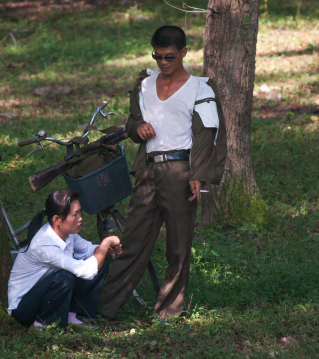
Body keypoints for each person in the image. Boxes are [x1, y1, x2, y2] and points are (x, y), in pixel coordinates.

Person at [97, 25, 226, 321]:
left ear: (183, 53)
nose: (163, 63)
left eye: (169, 57)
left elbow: (207, 135)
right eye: (157, 56)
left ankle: (168, 313)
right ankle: (103, 310)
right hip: (148, 171)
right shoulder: (144, 83)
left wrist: (199, 174)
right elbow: (132, 122)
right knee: (131, 243)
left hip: (181, 171)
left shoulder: (200, 88)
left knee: (178, 247)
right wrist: (136, 129)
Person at [7, 189, 122, 328]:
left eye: (80, 212)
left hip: (43, 295)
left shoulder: (66, 232)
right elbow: (86, 271)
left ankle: (72, 316)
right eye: (75, 214)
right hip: (23, 309)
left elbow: (89, 250)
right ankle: (41, 325)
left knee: (100, 263)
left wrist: (105, 250)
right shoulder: (43, 245)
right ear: (57, 219)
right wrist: (104, 245)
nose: (80, 218)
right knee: (64, 277)